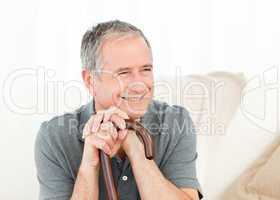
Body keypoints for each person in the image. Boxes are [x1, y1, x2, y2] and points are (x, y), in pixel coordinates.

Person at [34, 20, 203, 200]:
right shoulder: (54, 136)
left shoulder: (176, 121)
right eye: (123, 73)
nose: (139, 85)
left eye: (146, 69)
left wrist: (135, 147)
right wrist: (89, 165)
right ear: (90, 81)